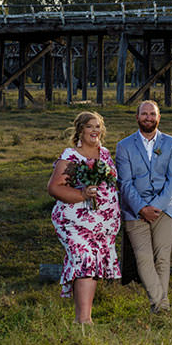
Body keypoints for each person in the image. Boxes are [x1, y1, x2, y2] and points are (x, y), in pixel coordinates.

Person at [48, 110, 121, 324]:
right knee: (83, 259)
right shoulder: (71, 156)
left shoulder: (105, 154)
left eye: (98, 126)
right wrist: (82, 194)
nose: (95, 130)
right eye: (90, 126)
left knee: (93, 264)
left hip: (104, 222)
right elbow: (54, 188)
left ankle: (83, 319)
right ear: (80, 130)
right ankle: (84, 319)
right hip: (75, 220)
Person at [116, 100, 172, 314]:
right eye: (144, 114)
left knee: (163, 258)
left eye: (152, 114)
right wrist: (142, 208)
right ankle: (162, 305)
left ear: (159, 117)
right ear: (137, 117)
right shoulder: (124, 146)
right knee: (143, 257)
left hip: (164, 208)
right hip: (135, 210)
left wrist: (156, 206)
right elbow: (125, 183)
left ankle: (158, 308)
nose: (148, 117)